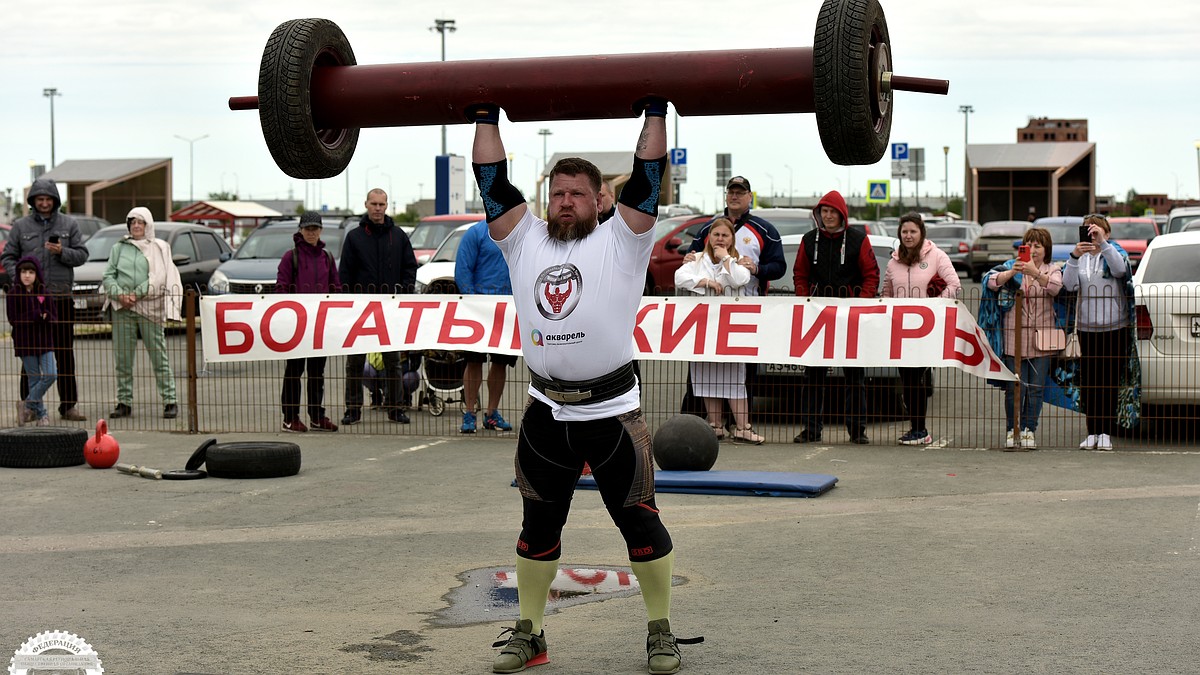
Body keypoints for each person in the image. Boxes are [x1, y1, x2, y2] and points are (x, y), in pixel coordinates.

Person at [470, 99, 697, 675]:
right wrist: (483, 115)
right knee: (536, 530)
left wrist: (654, 109)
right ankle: (530, 635)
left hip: (613, 414)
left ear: (600, 199)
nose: (565, 202)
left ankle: (660, 631)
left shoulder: (623, 239)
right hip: (546, 416)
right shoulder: (523, 241)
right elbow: (492, 182)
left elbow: (648, 176)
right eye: (557, 192)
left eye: (577, 193)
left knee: (640, 523)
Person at [791, 190, 880, 444]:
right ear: (818, 214)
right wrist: (806, 300)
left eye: (832, 212)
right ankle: (811, 429)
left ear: (842, 214)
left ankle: (857, 430)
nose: (828, 216)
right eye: (824, 212)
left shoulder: (858, 239)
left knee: (855, 376)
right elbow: (800, 274)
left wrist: (859, 305)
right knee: (813, 376)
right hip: (818, 317)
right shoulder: (809, 240)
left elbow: (872, 275)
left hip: (850, 317)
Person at [1, 178, 88, 421]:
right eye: (40, 199)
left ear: (56, 201)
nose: (44, 203)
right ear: (32, 201)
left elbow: (82, 254)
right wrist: (19, 278)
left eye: (48, 199)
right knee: (29, 352)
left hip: (59, 299)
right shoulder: (20, 226)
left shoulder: (69, 224)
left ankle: (68, 405)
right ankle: (29, 407)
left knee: (63, 352)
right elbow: (8, 256)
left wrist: (62, 252)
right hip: (28, 301)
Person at [673, 217, 763, 444]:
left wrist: (726, 260)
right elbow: (679, 277)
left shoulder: (737, 261)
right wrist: (704, 281)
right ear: (709, 237)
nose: (720, 239)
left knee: (734, 377)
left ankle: (743, 427)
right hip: (703, 328)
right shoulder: (697, 259)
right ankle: (715, 425)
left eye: (725, 235)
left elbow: (741, 278)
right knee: (706, 376)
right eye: (716, 235)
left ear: (732, 239)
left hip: (730, 329)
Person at [338, 189, 419, 426]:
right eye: (373, 203)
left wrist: (404, 291)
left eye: (381, 204)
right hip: (360, 311)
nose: (377, 208)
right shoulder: (354, 237)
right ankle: (352, 410)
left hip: (389, 310)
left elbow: (409, 268)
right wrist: (349, 301)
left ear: (387, 206)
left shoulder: (398, 236)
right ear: (366, 204)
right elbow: (345, 273)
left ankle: (395, 409)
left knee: (393, 361)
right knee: (354, 363)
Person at [1061, 213, 1140, 450]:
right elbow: (1069, 284)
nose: (1092, 234)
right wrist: (1075, 256)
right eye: (1088, 230)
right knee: (1091, 382)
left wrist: (1103, 244)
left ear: (1106, 233)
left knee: (1109, 381)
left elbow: (1120, 271)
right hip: (1087, 328)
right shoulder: (1080, 258)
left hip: (1115, 327)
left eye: (1097, 230)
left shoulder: (1115, 252)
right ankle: (1092, 431)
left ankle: (1106, 431)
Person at [881, 212, 962, 446]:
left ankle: (920, 430)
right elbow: (887, 293)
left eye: (913, 231)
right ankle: (915, 428)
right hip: (900, 331)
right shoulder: (893, 262)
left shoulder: (936, 256)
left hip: (925, 329)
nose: (908, 236)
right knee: (906, 380)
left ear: (921, 233)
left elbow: (954, 284)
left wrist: (934, 304)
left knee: (916, 378)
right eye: (904, 232)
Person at [983, 227, 1062, 449]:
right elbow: (990, 281)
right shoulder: (1012, 266)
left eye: (1038, 246)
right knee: (1015, 387)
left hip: (1043, 338)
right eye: (1029, 245)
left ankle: (1029, 430)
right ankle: (1012, 429)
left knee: (1036, 387)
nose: (1034, 250)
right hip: (1013, 337)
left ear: (1046, 250)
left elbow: (1056, 288)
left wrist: (1035, 273)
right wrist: (1013, 272)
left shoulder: (1052, 269)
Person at [101, 207, 183, 419]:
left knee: (158, 355)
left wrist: (136, 295)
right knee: (123, 358)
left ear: (148, 225)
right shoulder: (119, 247)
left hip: (150, 308)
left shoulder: (158, 247)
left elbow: (159, 277)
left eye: (141, 222)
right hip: (122, 308)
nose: (136, 226)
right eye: (133, 222)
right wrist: (120, 295)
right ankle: (124, 402)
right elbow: (109, 275)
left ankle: (169, 400)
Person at [276, 211, 341, 432]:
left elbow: (336, 288)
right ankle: (290, 416)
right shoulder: (290, 257)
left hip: (319, 325)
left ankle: (316, 415)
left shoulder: (327, 258)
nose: (311, 233)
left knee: (316, 372)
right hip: (295, 325)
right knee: (294, 371)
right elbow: (281, 289)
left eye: (315, 229)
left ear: (321, 230)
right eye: (308, 229)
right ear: (300, 230)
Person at [455, 218, 517, 433]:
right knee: (473, 362)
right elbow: (463, 269)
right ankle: (469, 412)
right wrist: (473, 302)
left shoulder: (517, 234)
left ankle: (492, 413)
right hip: (478, 308)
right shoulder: (476, 233)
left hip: (507, 309)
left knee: (500, 363)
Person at [684, 176, 785, 296]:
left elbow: (779, 267)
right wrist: (689, 259)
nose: (734, 197)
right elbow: (692, 261)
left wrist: (756, 269)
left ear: (750, 196)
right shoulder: (708, 229)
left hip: (751, 303)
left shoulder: (765, 230)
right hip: (712, 303)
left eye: (740, 193)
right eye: (730, 192)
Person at [7, 257, 57, 426]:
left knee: (51, 374)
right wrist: (35, 316)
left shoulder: (44, 291)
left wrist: (47, 317)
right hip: (25, 343)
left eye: (31, 272)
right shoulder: (13, 294)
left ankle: (27, 404)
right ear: (18, 274)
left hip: (45, 342)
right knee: (34, 379)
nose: (27, 275)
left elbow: (54, 317)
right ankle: (42, 415)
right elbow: (14, 320)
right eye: (23, 272)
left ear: (37, 274)